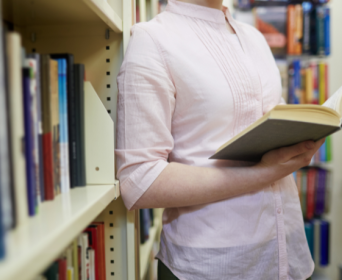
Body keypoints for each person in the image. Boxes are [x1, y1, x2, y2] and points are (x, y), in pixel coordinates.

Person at [116, 0, 323, 279]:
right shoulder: (152, 39)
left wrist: (300, 143)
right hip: (210, 265)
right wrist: (265, 173)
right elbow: (139, 180)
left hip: (289, 255)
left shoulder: (255, 38)